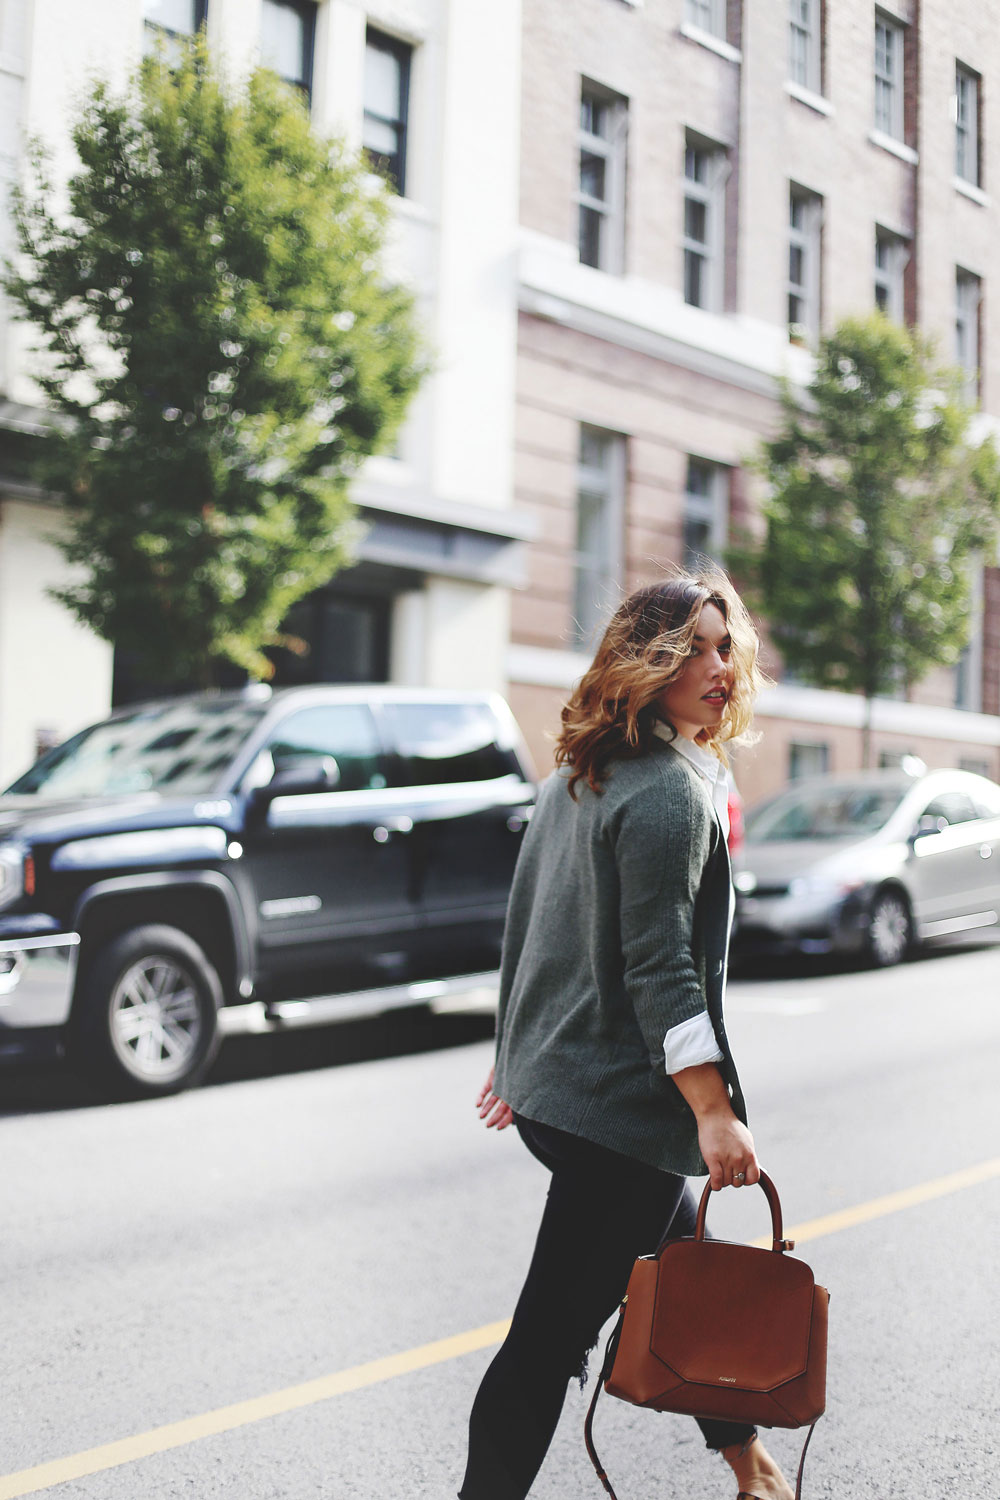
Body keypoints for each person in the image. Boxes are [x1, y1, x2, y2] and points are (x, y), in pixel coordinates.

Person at [458, 570, 794, 1500]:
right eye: (690, 648)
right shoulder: (665, 796)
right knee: (546, 1345)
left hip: (558, 1096)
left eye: (724, 645)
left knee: (683, 1267)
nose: (716, 665)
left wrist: (514, 1058)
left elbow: (530, 923)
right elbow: (659, 972)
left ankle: (752, 1470)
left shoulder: (580, 769)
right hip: (619, 1118)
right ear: (645, 663)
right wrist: (715, 1114)